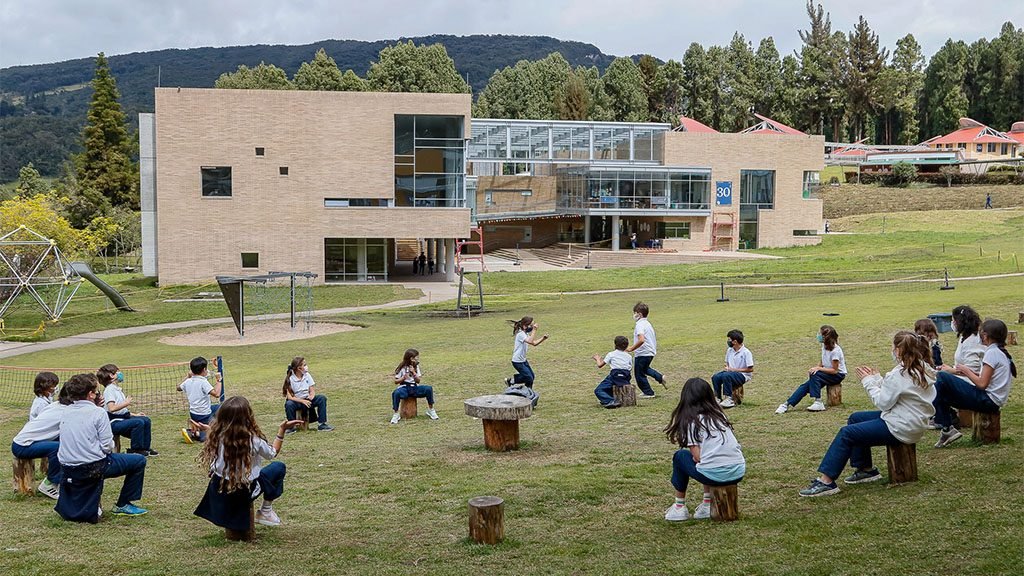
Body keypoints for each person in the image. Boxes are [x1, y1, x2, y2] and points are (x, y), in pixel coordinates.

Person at [800, 331, 936, 497]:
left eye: (893, 347)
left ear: (899, 350)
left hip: (901, 426)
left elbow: (883, 403)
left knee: (846, 433)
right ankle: (865, 469)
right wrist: (878, 379)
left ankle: (826, 481)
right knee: (856, 418)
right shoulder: (923, 368)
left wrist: (868, 382)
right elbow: (901, 393)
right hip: (912, 421)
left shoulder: (899, 374)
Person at [194, 396, 304, 529]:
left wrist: (208, 429)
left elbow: (216, 434)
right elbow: (272, 453)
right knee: (278, 467)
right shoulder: (254, 440)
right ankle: (266, 511)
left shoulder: (216, 435)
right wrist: (282, 431)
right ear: (248, 416)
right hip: (243, 491)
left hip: (218, 489)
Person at [57, 373, 148, 521]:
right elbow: (107, 445)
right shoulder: (98, 413)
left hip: (67, 467)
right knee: (138, 461)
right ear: (91, 394)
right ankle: (123, 503)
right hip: (92, 467)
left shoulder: (65, 411)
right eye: (97, 391)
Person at [662, 378, 745, 521]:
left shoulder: (691, 421)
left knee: (681, 456)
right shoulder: (720, 416)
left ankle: (679, 507)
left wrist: (699, 458)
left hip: (714, 473)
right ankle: (707, 503)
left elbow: (698, 457)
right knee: (707, 461)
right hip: (738, 471)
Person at [934, 318, 1016, 448]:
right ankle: (946, 427)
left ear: (985, 336)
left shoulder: (992, 353)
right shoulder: (998, 352)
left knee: (942, 377)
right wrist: (959, 372)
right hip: (990, 400)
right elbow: (985, 377)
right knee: (941, 391)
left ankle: (943, 423)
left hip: (988, 400)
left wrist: (965, 369)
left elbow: (982, 384)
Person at [931, 305, 987, 442]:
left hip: (973, 385)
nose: (952, 324)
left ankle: (943, 421)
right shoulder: (965, 338)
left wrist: (951, 371)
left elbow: (975, 371)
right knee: (937, 381)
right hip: (965, 380)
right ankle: (946, 424)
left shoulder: (973, 341)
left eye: (954, 321)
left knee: (940, 380)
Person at [12, 383, 70, 499]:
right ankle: (50, 484)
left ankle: (63, 479)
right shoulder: (67, 411)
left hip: (27, 442)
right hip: (23, 446)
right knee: (59, 447)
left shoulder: (56, 405)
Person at [775, 325, 846, 414]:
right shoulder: (824, 346)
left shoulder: (835, 351)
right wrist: (817, 368)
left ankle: (818, 402)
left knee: (814, 375)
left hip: (837, 375)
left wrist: (818, 369)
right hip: (827, 374)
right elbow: (823, 360)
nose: (818, 335)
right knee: (804, 386)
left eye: (820, 334)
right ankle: (786, 404)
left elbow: (835, 370)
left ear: (825, 337)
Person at [98, 364, 158, 456]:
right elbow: (112, 408)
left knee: (145, 420)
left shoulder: (117, 390)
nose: (120, 373)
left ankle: (145, 448)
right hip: (113, 422)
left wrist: (135, 414)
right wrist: (126, 403)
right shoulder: (109, 390)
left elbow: (122, 412)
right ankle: (135, 449)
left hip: (122, 418)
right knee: (138, 423)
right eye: (118, 371)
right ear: (111, 375)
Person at [178, 356, 223, 443]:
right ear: (204, 369)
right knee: (208, 436)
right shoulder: (203, 382)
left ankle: (196, 426)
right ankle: (195, 433)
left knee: (221, 407)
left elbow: (178, 388)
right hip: (204, 414)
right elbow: (217, 394)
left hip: (193, 413)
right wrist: (218, 381)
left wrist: (188, 376)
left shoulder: (188, 381)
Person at [282, 357, 334, 432]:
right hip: (297, 401)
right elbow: (290, 397)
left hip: (307, 399)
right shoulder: (290, 378)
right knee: (289, 404)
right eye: (304, 365)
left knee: (322, 398)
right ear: (299, 368)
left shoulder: (307, 375)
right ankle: (291, 427)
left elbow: (312, 390)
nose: (306, 367)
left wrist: (311, 396)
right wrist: (302, 401)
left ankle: (322, 424)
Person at [628, 302, 667, 399]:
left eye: (635, 313)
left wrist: (631, 348)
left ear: (639, 314)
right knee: (645, 369)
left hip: (643, 352)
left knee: (639, 374)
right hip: (650, 351)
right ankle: (660, 377)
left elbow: (641, 339)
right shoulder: (647, 324)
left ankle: (648, 392)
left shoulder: (639, 325)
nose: (634, 315)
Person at [390, 349, 439, 424]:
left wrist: (413, 373)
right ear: (411, 358)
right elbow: (396, 381)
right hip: (404, 388)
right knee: (396, 393)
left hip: (415, 387)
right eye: (416, 357)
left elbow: (418, 381)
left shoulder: (416, 366)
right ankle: (396, 413)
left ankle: (431, 410)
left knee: (428, 389)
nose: (417, 359)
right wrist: (403, 378)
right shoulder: (402, 367)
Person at [711, 330, 754, 408]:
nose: (728, 341)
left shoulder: (746, 352)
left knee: (726, 376)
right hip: (730, 372)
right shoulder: (729, 350)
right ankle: (717, 397)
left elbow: (750, 369)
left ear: (735, 341)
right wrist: (727, 367)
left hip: (743, 375)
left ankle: (729, 398)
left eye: (729, 340)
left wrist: (734, 370)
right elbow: (726, 362)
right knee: (716, 377)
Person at [504, 316, 548, 390]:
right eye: (531, 325)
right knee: (529, 377)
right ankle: (511, 381)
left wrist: (543, 338)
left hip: (523, 360)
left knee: (531, 377)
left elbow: (533, 343)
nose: (532, 327)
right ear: (525, 326)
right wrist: (534, 330)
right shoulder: (520, 334)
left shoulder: (525, 334)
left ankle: (528, 391)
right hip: (517, 361)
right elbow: (530, 341)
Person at [592, 336, 631, 409]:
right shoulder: (628, 356)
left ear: (615, 345)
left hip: (614, 375)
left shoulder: (611, 354)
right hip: (625, 377)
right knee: (610, 387)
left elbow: (600, 365)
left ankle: (610, 401)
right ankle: (609, 399)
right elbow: (629, 367)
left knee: (598, 390)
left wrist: (597, 359)